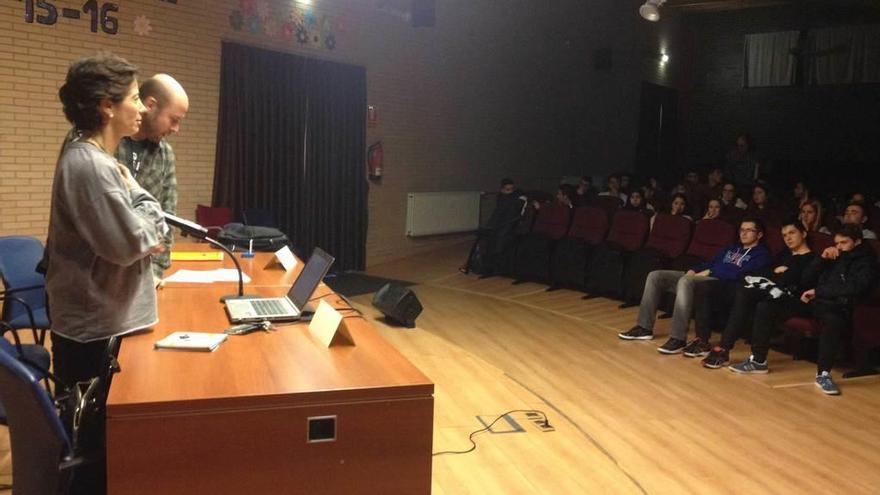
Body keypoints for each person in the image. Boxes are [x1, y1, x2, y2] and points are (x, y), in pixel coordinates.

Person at [48, 54, 167, 494]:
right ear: (106, 106)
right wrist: (146, 207)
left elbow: (139, 225)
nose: (142, 108)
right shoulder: (92, 166)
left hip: (101, 323)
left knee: (101, 449)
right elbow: (133, 241)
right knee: (94, 456)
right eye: (136, 98)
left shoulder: (95, 156)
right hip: (96, 332)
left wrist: (141, 213)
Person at [63, 73, 189, 282]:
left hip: (134, 279)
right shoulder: (90, 143)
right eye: (174, 120)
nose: (176, 129)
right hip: (87, 278)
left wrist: (156, 271)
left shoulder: (164, 153)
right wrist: (145, 231)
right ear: (150, 105)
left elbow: (167, 215)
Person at [730, 224, 878, 395]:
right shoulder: (833, 255)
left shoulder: (866, 261)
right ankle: (758, 360)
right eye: (836, 243)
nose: (838, 247)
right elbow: (807, 278)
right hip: (814, 301)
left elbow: (856, 287)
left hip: (837, 305)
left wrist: (818, 291)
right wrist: (822, 259)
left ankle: (823, 374)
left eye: (843, 243)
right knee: (767, 306)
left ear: (857, 242)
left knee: (833, 321)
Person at [618, 219, 771, 354]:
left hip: (720, 285)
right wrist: (695, 270)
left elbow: (741, 274)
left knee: (685, 281)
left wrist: (710, 272)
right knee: (656, 276)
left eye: (749, 230)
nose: (743, 233)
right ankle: (644, 327)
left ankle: (678, 338)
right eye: (742, 230)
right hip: (702, 275)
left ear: (759, 234)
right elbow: (711, 262)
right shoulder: (731, 248)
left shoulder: (761, 254)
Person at [700, 219, 816, 368]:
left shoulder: (812, 259)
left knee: (750, 296)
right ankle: (715, 345)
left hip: (788, 298)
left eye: (792, 233)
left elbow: (797, 281)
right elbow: (760, 273)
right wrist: (776, 273)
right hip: (767, 291)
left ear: (804, 233)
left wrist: (776, 274)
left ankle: (725, 348)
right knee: (734, 289)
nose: (788, 237)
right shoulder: (783, 256)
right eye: (784, 235)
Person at [461, 178, 526, 275]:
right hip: (496, 227)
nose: (510, 192)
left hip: (504, 229)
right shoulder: (502, 199)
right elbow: (496, 216)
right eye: (507, 190)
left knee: (491, 242)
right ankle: (472, 264)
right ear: (502, 190)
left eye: (512, 189)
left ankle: (480, 265)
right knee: (482, 242)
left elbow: (507, 215)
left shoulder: (513, 199)